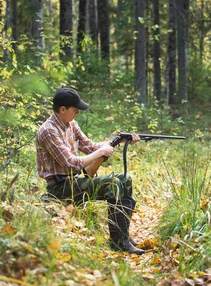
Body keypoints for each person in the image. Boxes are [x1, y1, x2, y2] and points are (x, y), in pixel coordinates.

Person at [36, 87, 144, 255]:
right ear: (62, 109)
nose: (78, 112)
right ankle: (118, 243)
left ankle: (123, 236)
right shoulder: (48, 131)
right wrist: (100, 153)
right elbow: (71, 163)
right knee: (112, 184)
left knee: (124, 179)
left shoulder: (70, 124)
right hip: (60, 188)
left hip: (75, 182)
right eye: (75, 109)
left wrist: (118, 141)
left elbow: (90, 147)